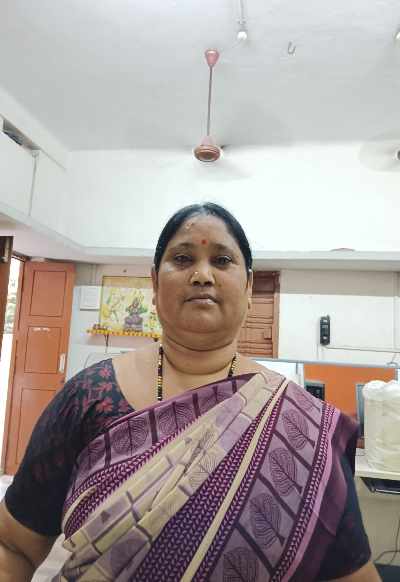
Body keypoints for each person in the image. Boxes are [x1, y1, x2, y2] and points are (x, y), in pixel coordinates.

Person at [0, 202, 380, 581]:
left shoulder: (303, 426)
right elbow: (12, 545)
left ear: (249, 287)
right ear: (154, 283)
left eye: (222, 260)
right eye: (182, 259)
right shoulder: (89, 396)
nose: (202, 275)